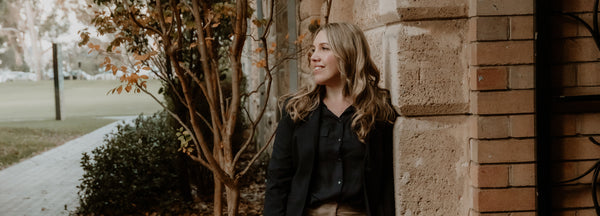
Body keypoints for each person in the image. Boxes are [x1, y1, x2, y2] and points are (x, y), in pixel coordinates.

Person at [264, 22, 397, 216]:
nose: (313, 57)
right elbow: (278, 180)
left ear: (348, 53)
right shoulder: (296, 110)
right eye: (313, 49)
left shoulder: (377, 111)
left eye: (324, 48)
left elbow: (385, 183)